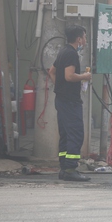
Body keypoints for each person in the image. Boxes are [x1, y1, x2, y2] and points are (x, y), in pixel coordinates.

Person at [48, 24, 92, 182]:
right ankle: (71, 169)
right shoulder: (71, 54)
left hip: (61, 99)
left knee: (66, 134)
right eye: (85, 37)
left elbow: (51, 71)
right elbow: (69, 76)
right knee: (76, 133)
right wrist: (84, 76)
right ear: (79, 39)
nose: (85, 41)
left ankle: (64, 168)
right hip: (70, 101)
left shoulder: (62, 51)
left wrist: (59, 88)